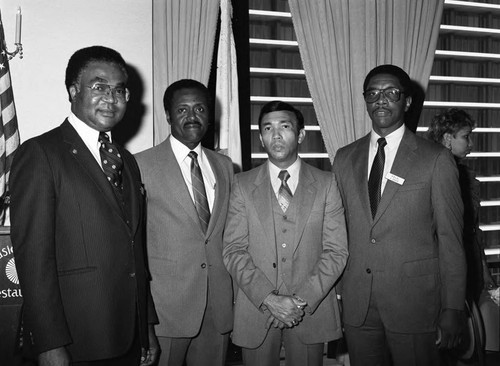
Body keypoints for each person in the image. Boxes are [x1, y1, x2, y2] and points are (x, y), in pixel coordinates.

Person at [10, 46, 159, 365]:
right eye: (99, 86)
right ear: (73, 91)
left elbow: (136, 251)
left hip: (128, 334)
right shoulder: (41, 154)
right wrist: (49, 344)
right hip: (76, 338)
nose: (112, 97)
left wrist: (145, 326)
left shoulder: (127, 160)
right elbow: (34, 260)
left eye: (120, 89)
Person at [332, 64, 467, 366]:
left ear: (407, 102)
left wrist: (453, 307)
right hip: (358, 305)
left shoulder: (435, 159)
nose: (381, 100)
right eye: (373, 93)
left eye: (391, 93)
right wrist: (337, 298)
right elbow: (337, 234)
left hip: (415, 303)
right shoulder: (344, 158)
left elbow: (451, 239)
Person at [223, 100, 349, 366]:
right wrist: (269, 299)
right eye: (268, 128)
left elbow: (336, 251)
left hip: (308, 313)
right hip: (256, 312)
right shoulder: (242, 184)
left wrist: (297, 302)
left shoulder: (327, 183)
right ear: (260, 137)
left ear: (301, 134)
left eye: (285, 126)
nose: (276, 135)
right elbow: (233, 250)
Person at [135, 79, 234, 366]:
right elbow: (133, 245)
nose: (192, 116)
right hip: (166, 312)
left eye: (200, 108)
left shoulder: (224, 166)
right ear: (167, 115)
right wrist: (144, 316)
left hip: (217, 309)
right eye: (182, 109)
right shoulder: (140, 165)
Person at [428, 108, 497, 302]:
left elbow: (473, 231)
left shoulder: (465, 177)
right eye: (466, 137)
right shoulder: (433, 175)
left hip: (468, 268)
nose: (471, 144)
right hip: (443, 273)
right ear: (448, 138)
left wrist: (482, 269)